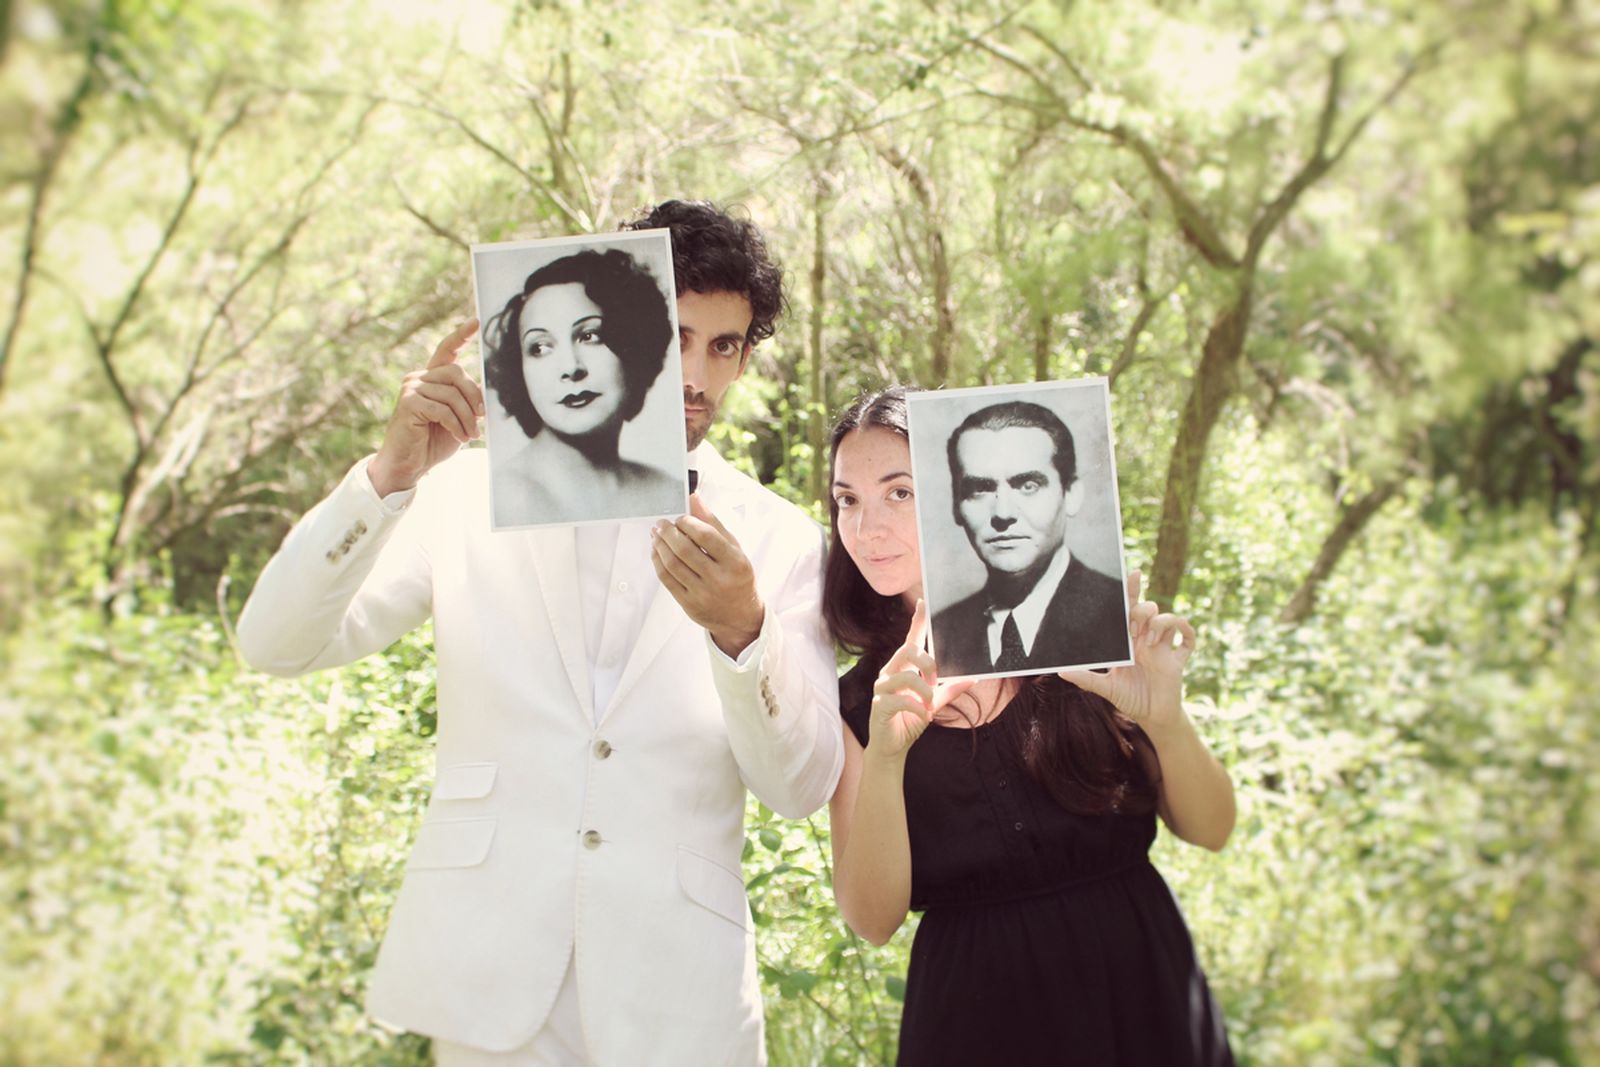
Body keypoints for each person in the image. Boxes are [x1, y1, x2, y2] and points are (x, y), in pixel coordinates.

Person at [236, 200, 842, 1067]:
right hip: (491, 985)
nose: (698, 376)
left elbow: (802, 785)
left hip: (678, 998)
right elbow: (274, 643)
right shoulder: (458, 496)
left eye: (725, 345)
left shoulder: (779, 539)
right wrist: (389, 475)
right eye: (675, 336)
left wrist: (743, 633)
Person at [824, 387, 1236, 1066]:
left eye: (900, 492)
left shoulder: (1088, 637)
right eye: (847, 498)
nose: (867, 526)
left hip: (1138, 994)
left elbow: (1213, 827)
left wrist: (1165, 718)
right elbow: (872, 919)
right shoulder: (858, 701)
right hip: (975, 1021)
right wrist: (889, 757)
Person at [481, 246, 682, 526]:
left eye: (590, 336)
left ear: (633, 348)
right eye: (539, 347)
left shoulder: (669, 493)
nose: (570, 368)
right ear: (520, 370)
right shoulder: (501, 500)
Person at [930, 399, 1127, 676]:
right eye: (979, 490)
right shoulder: (938, 635)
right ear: (956, 506)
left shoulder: (1121, 617)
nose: (1003, 512)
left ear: (1070, 495)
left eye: (1028, 485)